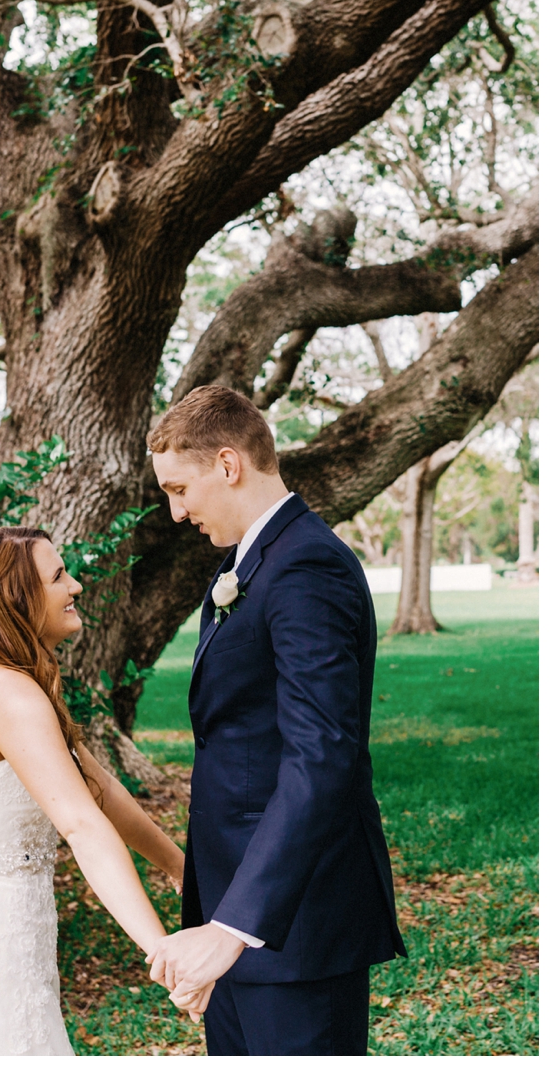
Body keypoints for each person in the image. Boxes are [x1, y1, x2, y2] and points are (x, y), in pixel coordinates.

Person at [0, 525, 202, 1056]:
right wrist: (161, 950)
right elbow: (81, 823)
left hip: (4, 923)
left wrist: (179, 868)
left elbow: (100, 791)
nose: (75, 586)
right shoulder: (8, 692)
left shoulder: (8, 682)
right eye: (58, 576)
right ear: (16, 599)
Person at [146, 385, 407, 1056]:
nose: (177, 513)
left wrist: (233, 926)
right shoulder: (248, 563)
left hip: (295, 927)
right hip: (239, 920)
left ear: (228, 465)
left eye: (180, 489)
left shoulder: (306, 566)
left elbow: (321, 756)